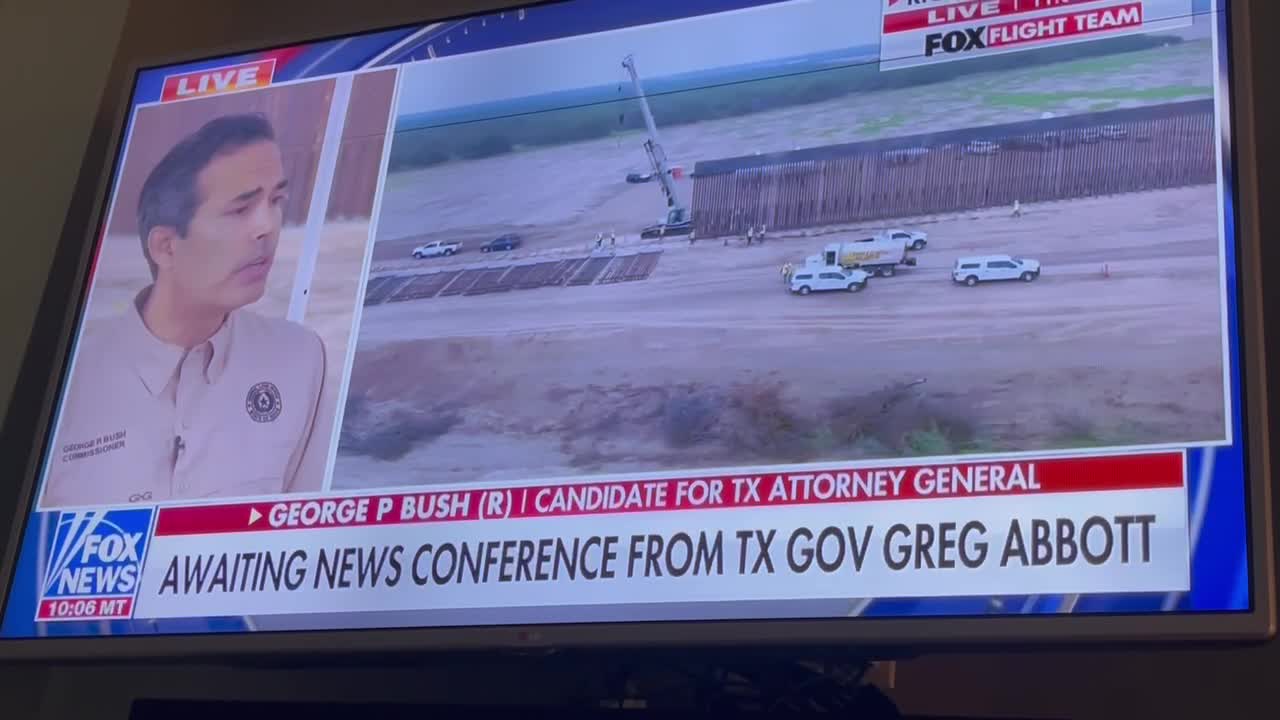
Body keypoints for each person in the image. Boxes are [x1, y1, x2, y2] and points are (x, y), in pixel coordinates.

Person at [42, 113, 326, 507]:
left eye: (276, 200)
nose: (267, 227)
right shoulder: (66, 380)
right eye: (240, 209)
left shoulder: (301, 359)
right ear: (165, 247)